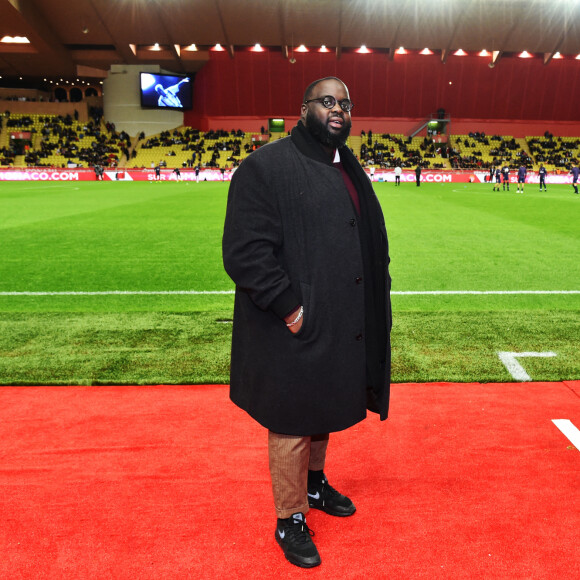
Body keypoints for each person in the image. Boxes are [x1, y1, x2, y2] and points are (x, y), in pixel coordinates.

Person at [222, 77, 392, 569]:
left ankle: (314, 486)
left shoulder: (346, 165)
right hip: (293, 321)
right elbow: (245, 252)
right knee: (293, 418)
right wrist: (290, 308)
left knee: (324, 403)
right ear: (303, 109)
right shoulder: (266, 167)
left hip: (341, 315)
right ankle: (289, 518)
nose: (338, 109)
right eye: (327, 101)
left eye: (345, 103)